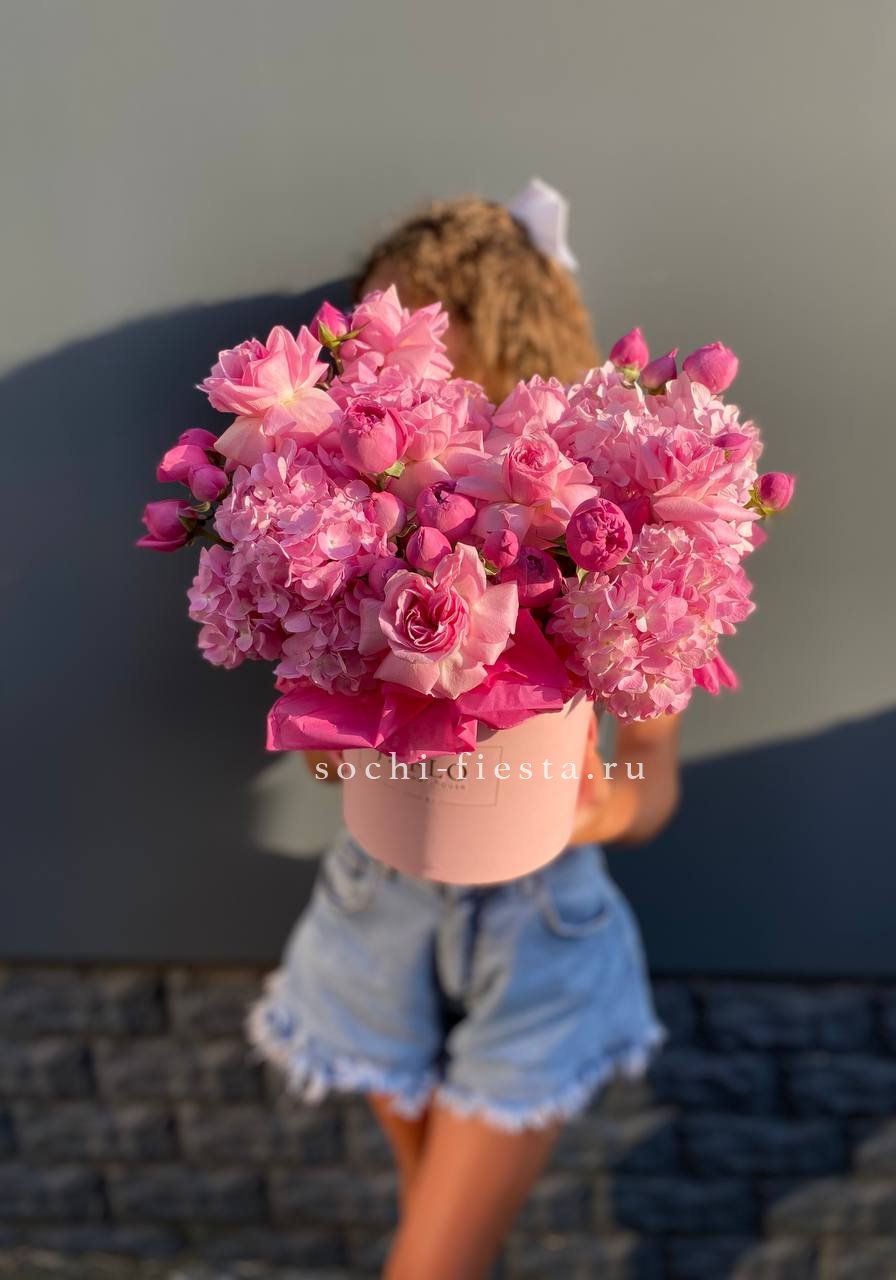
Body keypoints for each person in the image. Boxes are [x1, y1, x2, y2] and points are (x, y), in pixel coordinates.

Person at [248, 185, 681, 1280]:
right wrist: (338, 743)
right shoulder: (355, 537)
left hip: (541, 926)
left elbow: (651, 784)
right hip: (378, 901)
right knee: (434, 1238)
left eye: (437, 377)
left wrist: (599, 804)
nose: (399, 404)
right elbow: (324, 737)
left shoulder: (620, 560)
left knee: (433, 1258)